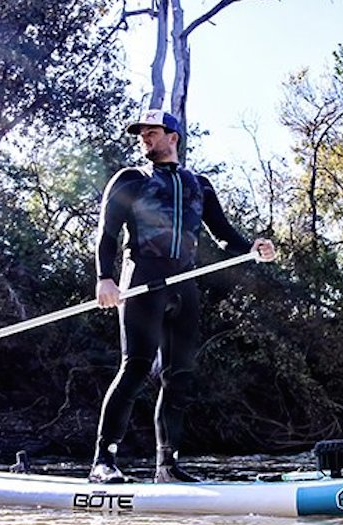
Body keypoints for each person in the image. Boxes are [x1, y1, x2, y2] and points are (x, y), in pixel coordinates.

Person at [91, 109, 276, 484]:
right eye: (141, 133)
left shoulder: (199, 184)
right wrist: (104, 279)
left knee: (180, 376)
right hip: (142, 276)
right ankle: (103, 462)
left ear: (173, 137)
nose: (144, 137)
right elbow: (107, 232)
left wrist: (252, 248)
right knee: (136, 367)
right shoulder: (131, 180)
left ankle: (168, 467)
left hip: (185, 282)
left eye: (152, 132)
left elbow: (222, 233)